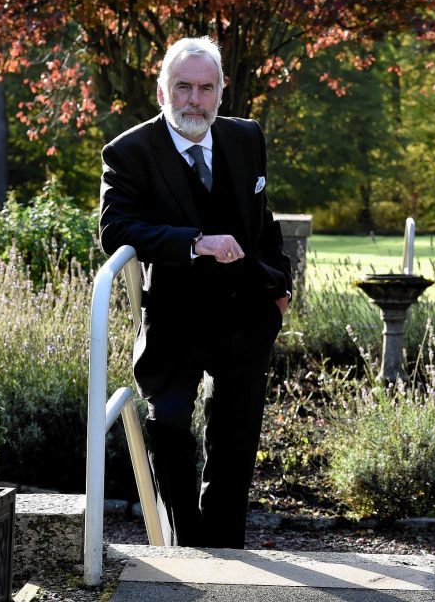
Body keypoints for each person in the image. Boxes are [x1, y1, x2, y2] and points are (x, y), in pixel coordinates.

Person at [99, 36, 292, 548]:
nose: (194, 100)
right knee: (170, 431)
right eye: (182, 87)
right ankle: (187, 548)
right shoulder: (129, 151)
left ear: (221, 91)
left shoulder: (246, 137)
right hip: (174, 320)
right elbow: (115, 231)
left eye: (206, 88)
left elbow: (263, 220)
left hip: (246, 315)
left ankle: (226, 551)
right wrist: (194, 243)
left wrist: (280, 286)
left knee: (236, 439)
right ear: (162, 92)